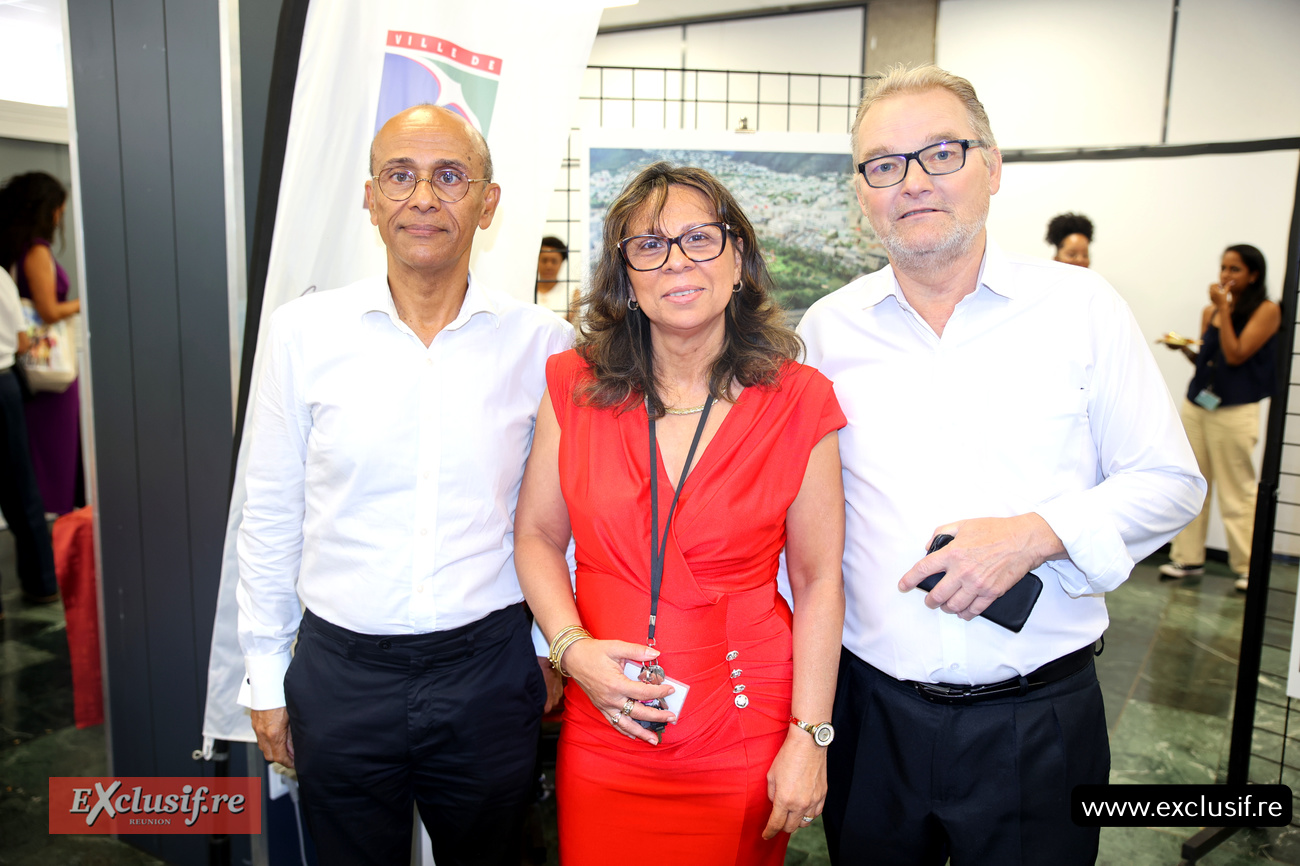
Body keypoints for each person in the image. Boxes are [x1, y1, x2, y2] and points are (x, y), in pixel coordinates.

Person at [799, 65, 1205, 865]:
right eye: (883, 164)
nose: (912, 182)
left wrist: (1035, 535)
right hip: (871, 717)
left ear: (992, 165)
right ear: (860, 191)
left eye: (940, 153)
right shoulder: (827, 331)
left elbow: (1170, 483)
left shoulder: (1081, 310)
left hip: (1039, 723)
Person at [236, 104, 572, 866]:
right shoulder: (302, 333)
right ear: (370, 198)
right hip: (340, 674)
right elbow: (272, 508)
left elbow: (562, 513)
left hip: (488, 670)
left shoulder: (543, 345)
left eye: (450, 176)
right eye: (401, 175)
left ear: (487, 204)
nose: (424, 196)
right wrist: (263, 672)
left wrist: (548, 644)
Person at [514, 161, 846, 865]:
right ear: (625, 276)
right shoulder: (574, 385)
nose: (677, 261)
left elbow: (819, 582)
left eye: (700, 238)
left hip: (746, 729)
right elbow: (538, 536)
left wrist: (809, 737)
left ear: (737, 260)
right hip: (606, 719)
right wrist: (571, 650)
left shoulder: (800, 400)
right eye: (650, 245)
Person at [1159, 244, 1279, 591]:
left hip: (1235, 411)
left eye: (1235, 269)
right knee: (1192, 482)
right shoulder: (1210, 310)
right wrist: (1183, 348)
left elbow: (1237, 353)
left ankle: (1247, 567)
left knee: (1237, 488)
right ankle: (1188, 557)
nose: (1226, 275)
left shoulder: (1266, 310)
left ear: (1254, 275)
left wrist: (1224, 311)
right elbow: (1209, 362)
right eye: (1223, 267)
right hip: (1199, 406)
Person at [0, 171, 81, 515]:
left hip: (34, 372)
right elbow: (48, 310)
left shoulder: (17, 251)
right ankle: (59, 541)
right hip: (50, 377)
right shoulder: (37, 251)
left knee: (39, 460)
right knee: (54, 460)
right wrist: (85, 303)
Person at [0, 266, 60, 618]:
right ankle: (42, 582)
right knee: (21, 486)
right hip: (4, 384)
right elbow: (22, 340)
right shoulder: (3, 277)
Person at [535, 235, 579, 321]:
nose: (549, 266)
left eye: (554, 261)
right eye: (544, 260)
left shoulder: (573, 293)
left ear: (561, 262)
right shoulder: (525, 291)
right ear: (537, 260)